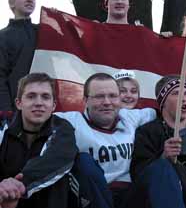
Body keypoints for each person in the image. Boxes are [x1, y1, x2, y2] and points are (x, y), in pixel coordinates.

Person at [56, 73, 156, 208]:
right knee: (83, 160)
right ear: (85, 100)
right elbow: (37, 116)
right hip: (92, 194)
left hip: (129, 194)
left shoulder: (129, 117)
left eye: (112, 96)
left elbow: (164, 111)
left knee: (162, 167)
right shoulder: (71, 121)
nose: (107, 102)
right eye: (99, 96)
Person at [130, 75, 186, 208]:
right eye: (176, 93)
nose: (185, 98)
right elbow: (139, 174)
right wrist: (163, 157)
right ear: (163, 101)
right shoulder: (147, 132)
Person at [0, 73, 78, 208]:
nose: (39, 103)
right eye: (31, 96)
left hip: (45, 199)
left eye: (45, 97)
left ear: (53, 106)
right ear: (19, 103)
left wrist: (20, 184)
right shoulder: (3, 128)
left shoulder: (62, 128)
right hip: (6, 200)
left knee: (80, 164)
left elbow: (55, 158)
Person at [0, 0, 38, 111]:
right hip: (17, 108)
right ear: (12, 3)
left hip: (45, 104)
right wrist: (6, 111)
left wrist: (57, 19)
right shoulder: (3, 36)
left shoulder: (43, 31)